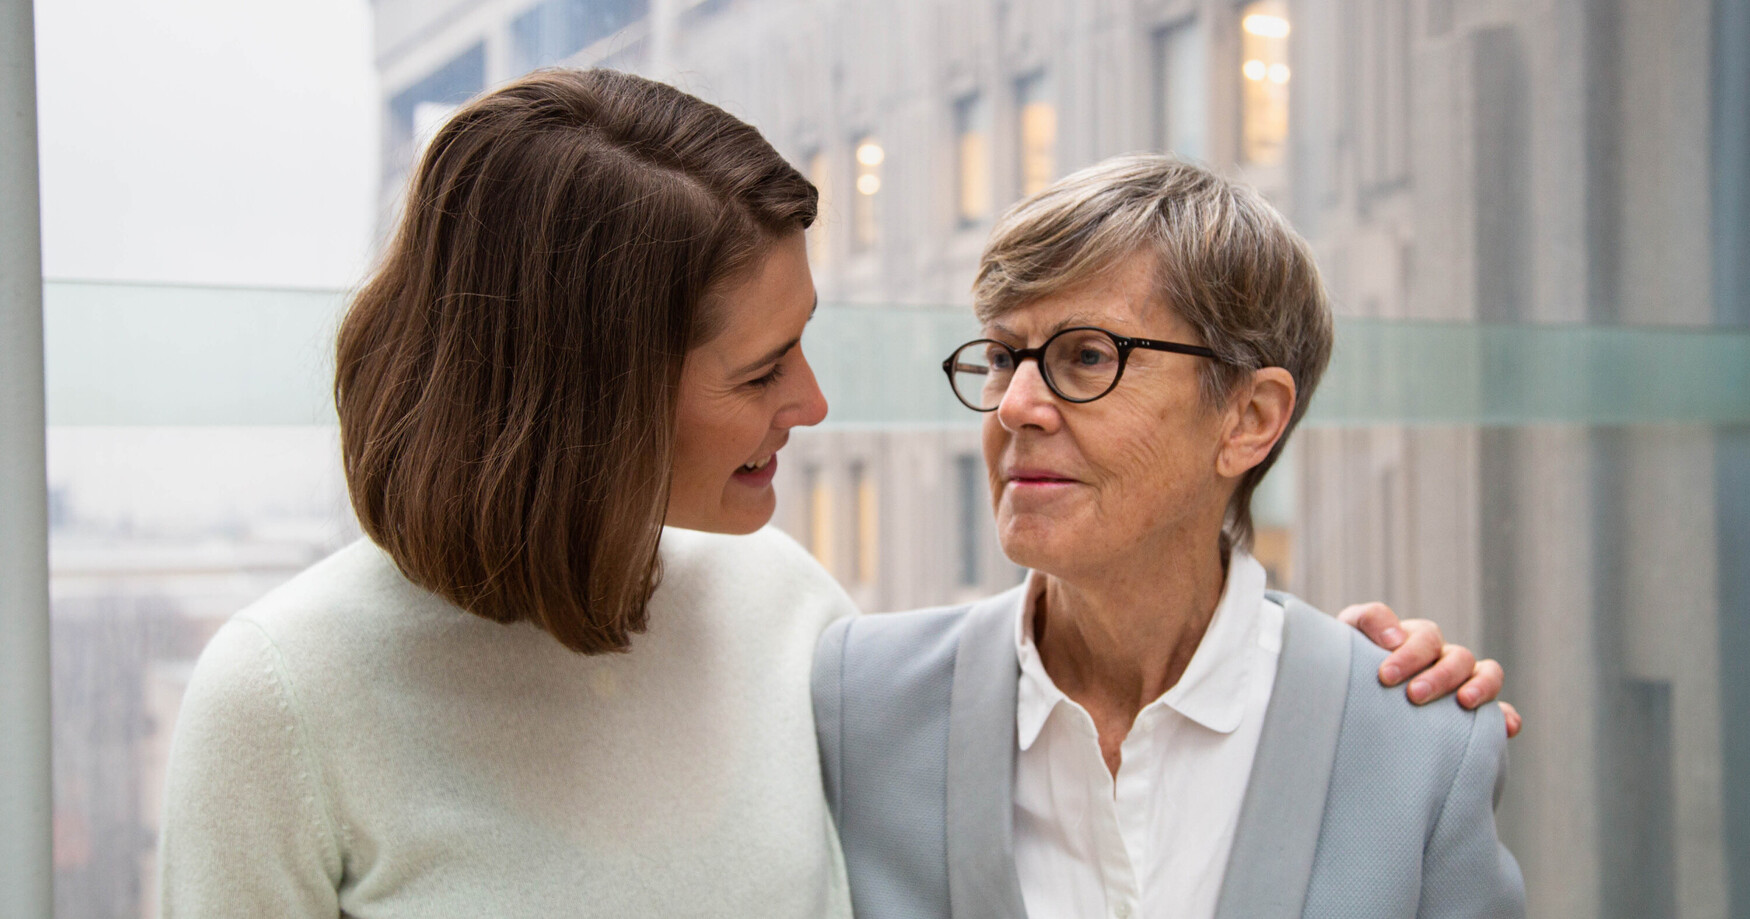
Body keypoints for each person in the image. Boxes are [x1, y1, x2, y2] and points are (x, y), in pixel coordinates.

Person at [159, 70, 1503, 917]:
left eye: (1085, 359)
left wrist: (1365, 686)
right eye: (760, 368)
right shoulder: (282, 699)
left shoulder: (791, 619)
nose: (810, 402)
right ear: (593, 392)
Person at [813, 155, 1525, 919]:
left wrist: (1371, 695)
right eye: (1000, 357)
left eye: (1086, 356)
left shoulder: (1420, 744)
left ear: (1248, 419)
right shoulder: (858, 704)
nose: (1015, 405)